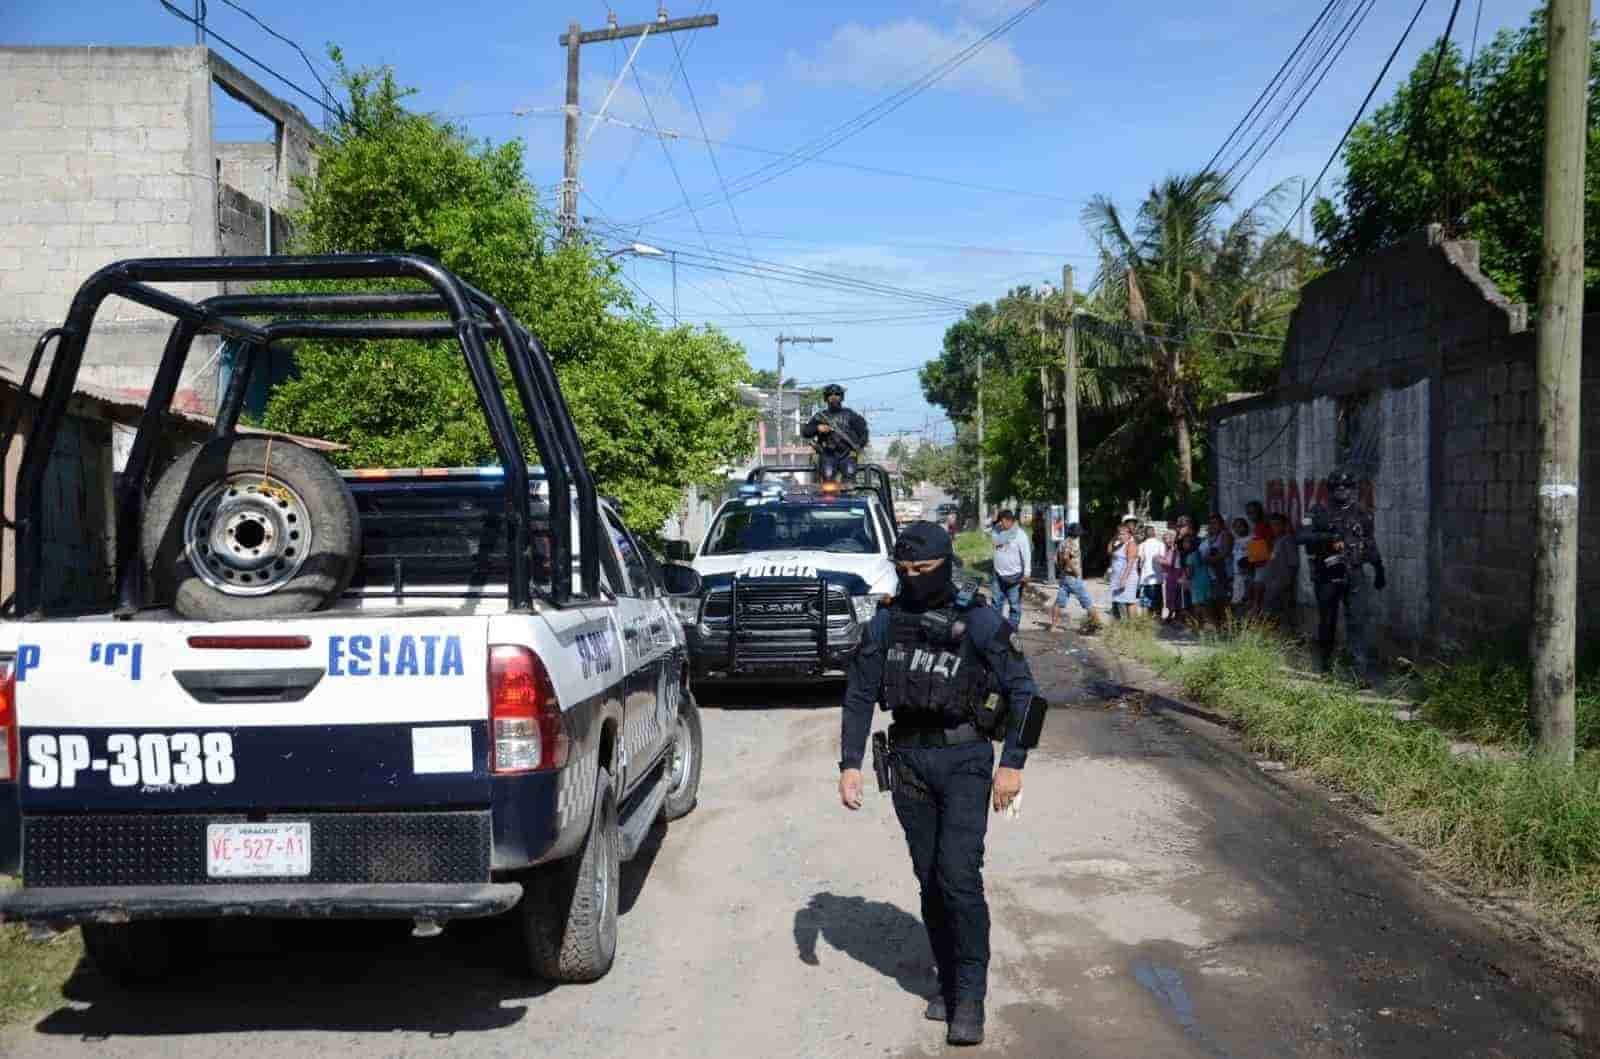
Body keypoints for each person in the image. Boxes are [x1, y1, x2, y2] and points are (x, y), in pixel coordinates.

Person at [837, 522, 1038, 1047]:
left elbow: (1026, 693)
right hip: (908, 760)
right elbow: (859, 692)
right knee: (929, 879)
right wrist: (849, 762)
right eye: (903, 572)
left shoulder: (978, 618)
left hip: (967, 758)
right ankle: (948, 985)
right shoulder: (887, 622)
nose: (912, 580)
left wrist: (1012, 763)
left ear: (946, 564)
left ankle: (970, 995)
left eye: (922, 571)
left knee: (958, 877)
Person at [1299, 468, 1386, 682]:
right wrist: (1329, 537)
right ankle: (1325, 666)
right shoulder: (1317, 512)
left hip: (1354, 574)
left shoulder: (1362, 513)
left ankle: (1359, 674)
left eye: (1346, 486)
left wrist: (1379, 569)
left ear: (1352, 489)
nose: (1341, 490)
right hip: (1327, 576)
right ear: (1330, 489)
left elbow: (1370, 544)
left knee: (1357, 622)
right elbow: (1301, 536)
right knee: (1327, 621)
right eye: (1337, 486)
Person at [800, 383, 870, 482]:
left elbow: (863, 432)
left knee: (849, 477)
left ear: (841, 397)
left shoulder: (850, 415)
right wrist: (817, 428)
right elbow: (806, 432)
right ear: (826, 398)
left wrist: (857, 447)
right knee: (828, 477)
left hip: (847, 455)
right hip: (828, 455)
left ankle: (848, 496)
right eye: (830, 395)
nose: (834, 397)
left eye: (837, 394)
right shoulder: (820, 416)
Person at [1050, 522, 1099, 633]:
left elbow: (1056, 559)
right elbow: (1066, 557)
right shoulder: (1071, 543)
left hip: (1064, 577)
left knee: (1059, 602)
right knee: (1087, 602)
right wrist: (1075, 571)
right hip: (1072, 577)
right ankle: (1098, 625)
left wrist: (1063, 568)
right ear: (1077, 533)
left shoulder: (1063, 542)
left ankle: (1053, 627)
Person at [988, 510, 1030, 631]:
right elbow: (995, 543)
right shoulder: (997, 531)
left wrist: (1027, 573)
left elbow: (1026, 555)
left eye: (1002, 521)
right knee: (996, 604)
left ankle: (1012, 631)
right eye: (1000, 522)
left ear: (1009, 521)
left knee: (1014, 605)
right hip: (998, 574)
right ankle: (995, 630)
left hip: (1015, 577)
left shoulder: (1020, 535)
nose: (1000, 524)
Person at [1260, 512, 1299, 629]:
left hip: (1282, 583)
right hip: (1273, 583)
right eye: (1272, 525)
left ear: (1284, 525)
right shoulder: (1276, 540)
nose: (1274, 528)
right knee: (1273, 612)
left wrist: (1288, 583)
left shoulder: (1287, 540)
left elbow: (1293, 563)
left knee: (1282, 613)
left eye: (1277, 525)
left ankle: (1286, 638)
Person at [1245, 500, 1273, 612]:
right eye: (1249, 513)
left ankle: (1256, 607)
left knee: (1258, 585)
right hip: (1258, 562)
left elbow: (1265, 545)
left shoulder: (1264, 526)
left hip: (1264, 562)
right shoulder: (1256, 526)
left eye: (1253, 512)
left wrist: (1252, 560)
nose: (1251, 516)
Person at [1108, 523, 1139, 620]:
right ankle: (1121, 623)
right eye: (1119, 534)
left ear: (1129, 534)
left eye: (1123, 534)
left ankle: (1133, 625)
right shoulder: (1119, 544)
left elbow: (1130, 563)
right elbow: (1109, 551)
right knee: (1118, 600)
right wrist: (1114, 538)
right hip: (1117, 577)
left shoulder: (1131, 544)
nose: (1120, 536)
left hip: (1128, 578)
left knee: (1129, 601)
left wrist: (1124, 578)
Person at [1137, 525, 1165, 614]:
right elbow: (1163, 559)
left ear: (1145, 534)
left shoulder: (1142, 545)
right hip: (1157, 577)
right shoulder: (1161, 544)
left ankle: (1148, 617)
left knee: (1146, 600)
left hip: (1145, 577)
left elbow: (1140, 561)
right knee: (1158, 599)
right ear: (1155, 533)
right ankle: (1158, 616)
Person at [1229, 516, 1253, 616]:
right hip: (1237, 574)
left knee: (1246, 600)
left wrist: (1248, 567)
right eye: (1236, 527)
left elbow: (1255, 557)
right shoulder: (1236, 541)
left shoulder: (1252, 538)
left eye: (1241, 526)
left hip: (1247, 574)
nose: (1238, 529)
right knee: (1236, 601)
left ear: (1246, 527)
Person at [1159, 529, 1182, 623]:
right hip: (1169, 575)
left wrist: (1159, 560)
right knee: (1169, 596)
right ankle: (1170, 614)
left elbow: (1170, 563)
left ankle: (1176, 616)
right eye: (1164, 539)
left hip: (1175, 574)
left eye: (1167, 538)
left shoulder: (1175, 549)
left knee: (1174, 595)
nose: (1165, 541)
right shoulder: (1167, 549)